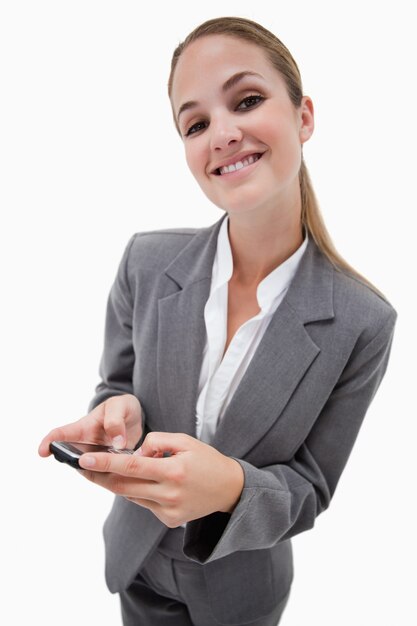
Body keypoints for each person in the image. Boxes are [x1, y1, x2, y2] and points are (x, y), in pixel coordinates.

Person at [39, 16, 397, 626]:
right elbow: (115, 384)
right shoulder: (145, 263)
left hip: (239, 593)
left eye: (248, 100)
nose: (222, 134)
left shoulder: (363, 322)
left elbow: (310, 488)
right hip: (135, 561)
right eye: (196, 123)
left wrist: (231, 486)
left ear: (304, 116)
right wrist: (118, 409)